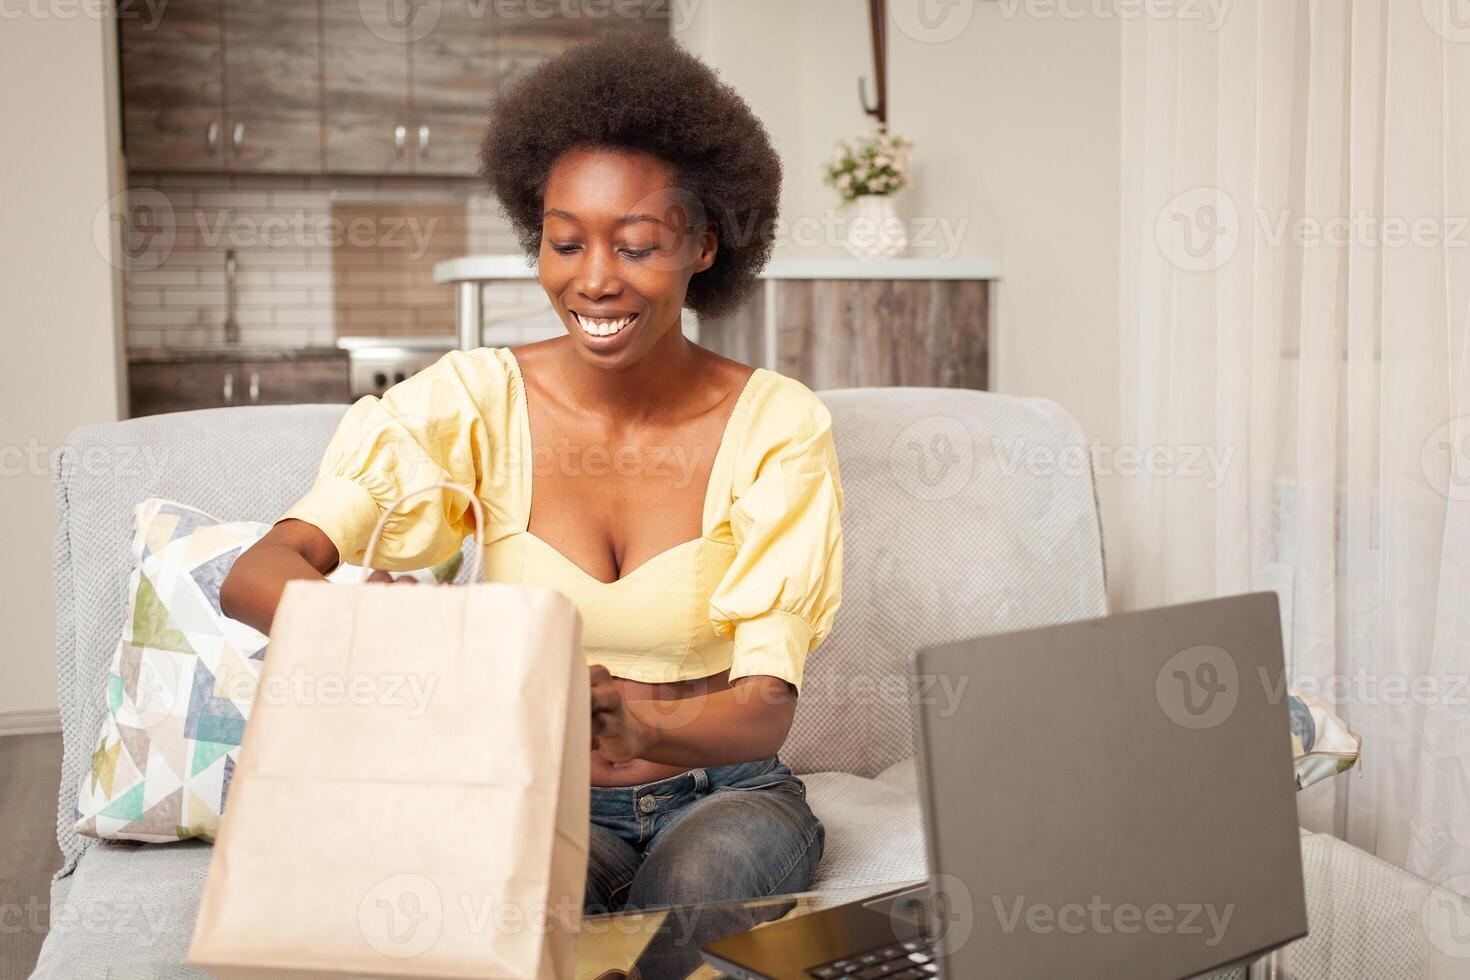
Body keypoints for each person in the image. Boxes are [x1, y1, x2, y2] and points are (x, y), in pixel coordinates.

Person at [219, 32, 845, 915]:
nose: (593, 281)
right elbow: (255, 578)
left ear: (704, 246)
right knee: (516, 906)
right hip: (535, 787)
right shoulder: (473, 401)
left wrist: (649, 726)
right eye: (564, 243)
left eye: (635, 245)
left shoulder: (776, 424)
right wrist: (389, 631)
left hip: (726, 790)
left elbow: (765, 710)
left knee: (691, 891)